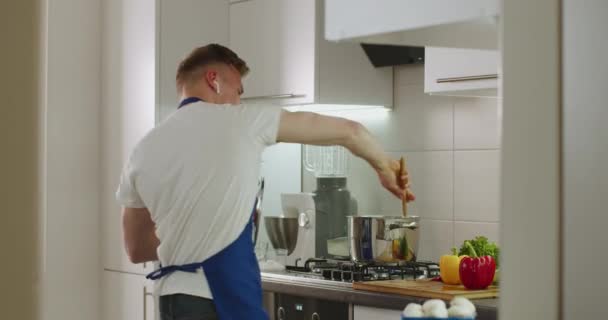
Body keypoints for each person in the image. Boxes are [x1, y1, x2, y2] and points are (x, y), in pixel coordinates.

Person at [116, 43, 415, 320]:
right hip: (221, 299)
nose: (239, 100)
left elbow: (136, 248)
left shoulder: (144, 148)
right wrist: (384, 167)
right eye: (238, 90)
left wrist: (188, 232)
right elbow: (350, 131)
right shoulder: (241, 121)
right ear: (213, 80)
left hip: (172, 299)